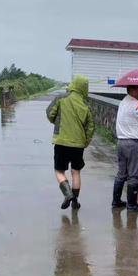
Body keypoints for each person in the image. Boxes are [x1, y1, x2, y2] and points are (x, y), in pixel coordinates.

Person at [46, 75, 95, 210]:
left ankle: (67, 194)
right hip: (78, 144)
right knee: (76, 172)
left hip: (61, 141)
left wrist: (56, 122)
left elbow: (50, 113)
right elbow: (90, 126)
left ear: (73, 84)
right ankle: (75, 201)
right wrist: (86, 141)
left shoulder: (61, 98)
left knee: (59, 171)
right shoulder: (86, 104)